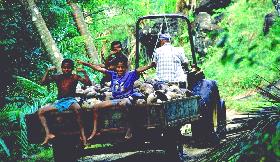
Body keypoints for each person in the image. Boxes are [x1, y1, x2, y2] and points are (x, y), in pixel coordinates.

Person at [78, 55, 155, 140]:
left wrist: (150, 66)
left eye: (122, 67)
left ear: (126, 67)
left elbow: (139, 69)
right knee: (96, 107)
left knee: (123, 103)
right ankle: (95, 130)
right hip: (115, 99)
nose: (120, 69)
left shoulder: (130, 74)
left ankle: (130, 127)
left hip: (126, 98)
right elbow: (98, 69)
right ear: (115, 67)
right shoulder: (113, 74)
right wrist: (85, 64)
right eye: (118, 67)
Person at [38, 59, 91, 146]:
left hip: (71, 100)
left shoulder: (75, 77)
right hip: (60, 102)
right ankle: (48, 134)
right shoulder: (58, 77)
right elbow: (43, 82)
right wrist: (47, 71)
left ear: (72, 68)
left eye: (69, 68)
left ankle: (83, 135)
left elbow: (88, 83)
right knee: (41, 111)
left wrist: (84, 72)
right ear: (62, 68)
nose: (66, 70)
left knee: (78, 109)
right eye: (64, 68)